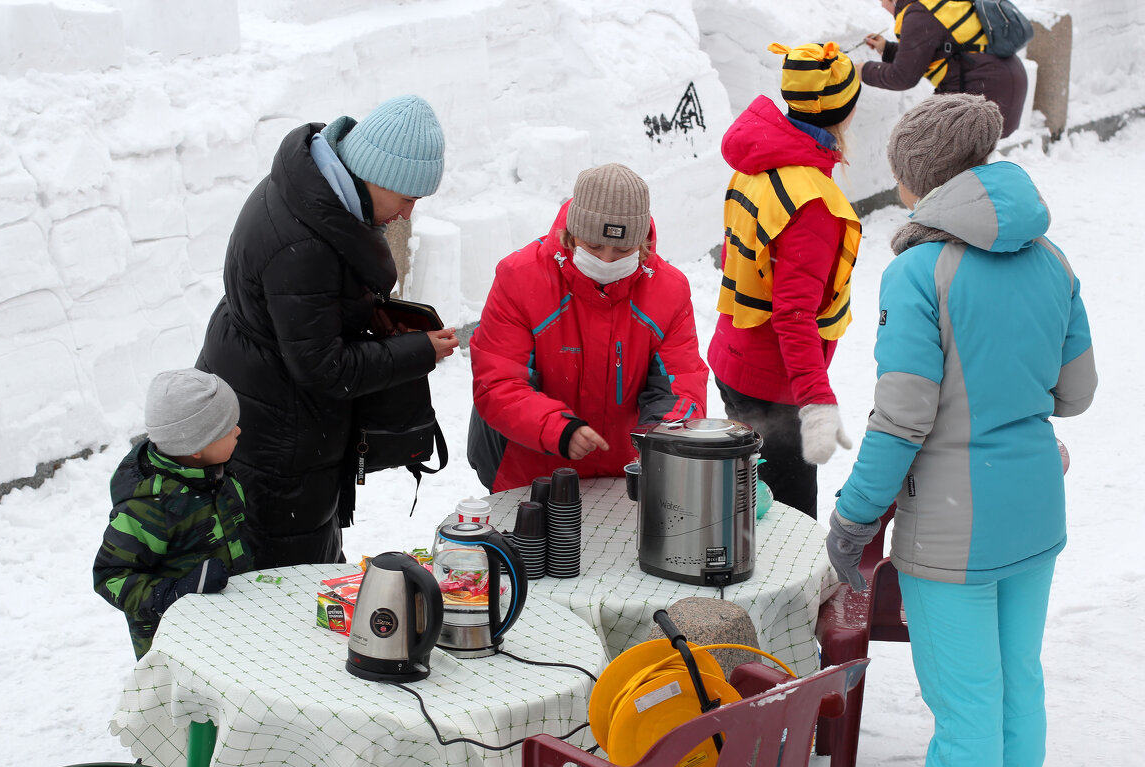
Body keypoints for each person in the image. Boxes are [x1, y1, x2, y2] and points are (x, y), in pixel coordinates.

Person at [826, 94, 1097, 767]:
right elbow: (1075, 393)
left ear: (921, 176)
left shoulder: (917, 274)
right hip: (1035, 512)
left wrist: (853, 518)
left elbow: (900, 421)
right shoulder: (1053, 260)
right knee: (1016, 688)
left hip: (952, 532)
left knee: (967, 709)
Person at [196, 94, 459, 569]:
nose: (406, 214)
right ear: (377, 176)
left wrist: (368, 318)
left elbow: (308, 311)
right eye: (406, 199)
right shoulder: (305, 241)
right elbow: (324, 367)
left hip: (263, 398)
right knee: (290, 584)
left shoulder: (311, 192)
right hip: (277, 433)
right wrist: (416, 351)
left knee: (299, 562)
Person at [468, 162, 708, 492]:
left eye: (623, 250)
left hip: (621, 477)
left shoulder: (668, 291)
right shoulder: (520, 278)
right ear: (571, 234)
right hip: (530, 473)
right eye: (594, 247)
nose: (607, 261)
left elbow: (681, 382)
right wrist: (558, 429)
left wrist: (664, 439)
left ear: (641, 245)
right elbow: (498, 383)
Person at [708, 41, 862, 520]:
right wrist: (816, 403)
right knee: (787, 531)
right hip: (776, 386)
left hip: (734, 359)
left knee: (747, 506)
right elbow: (794, 314)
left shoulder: (759, 163)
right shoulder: (814, 203)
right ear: (843, 112)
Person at [93, 368, 251, 767]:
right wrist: (173, 593)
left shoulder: (210, 473)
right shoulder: (149, 506)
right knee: (182, 749)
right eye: (227, 427)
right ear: (196, 448)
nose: (239, 429)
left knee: (221, 738)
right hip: (174, 648)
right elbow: (110, 577)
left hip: (219, 635)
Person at [861, 0, 1028, 138]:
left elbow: (902, 77)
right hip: (1002, 81)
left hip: (984, 89)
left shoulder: (919, 13)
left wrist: (861, 70)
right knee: (955, 159)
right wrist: (887, 48)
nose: (882, 5)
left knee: (930, 151)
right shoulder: (933, 4)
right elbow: (932, 51)